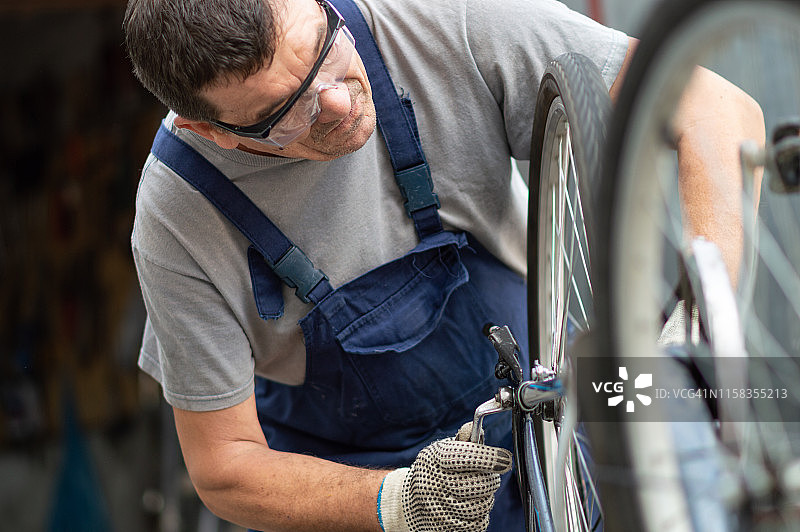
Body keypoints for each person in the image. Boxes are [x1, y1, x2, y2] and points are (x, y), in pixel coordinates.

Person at [122, 0, 763, 530]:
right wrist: (394, 503)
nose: (337, 103)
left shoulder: (441, 18)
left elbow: (714, 107)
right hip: (356, 470)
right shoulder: (177, 217)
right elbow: (225, 468)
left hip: (551, 405)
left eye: (324, 49)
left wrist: (697, 327)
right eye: (284, 114)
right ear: (211, 131)